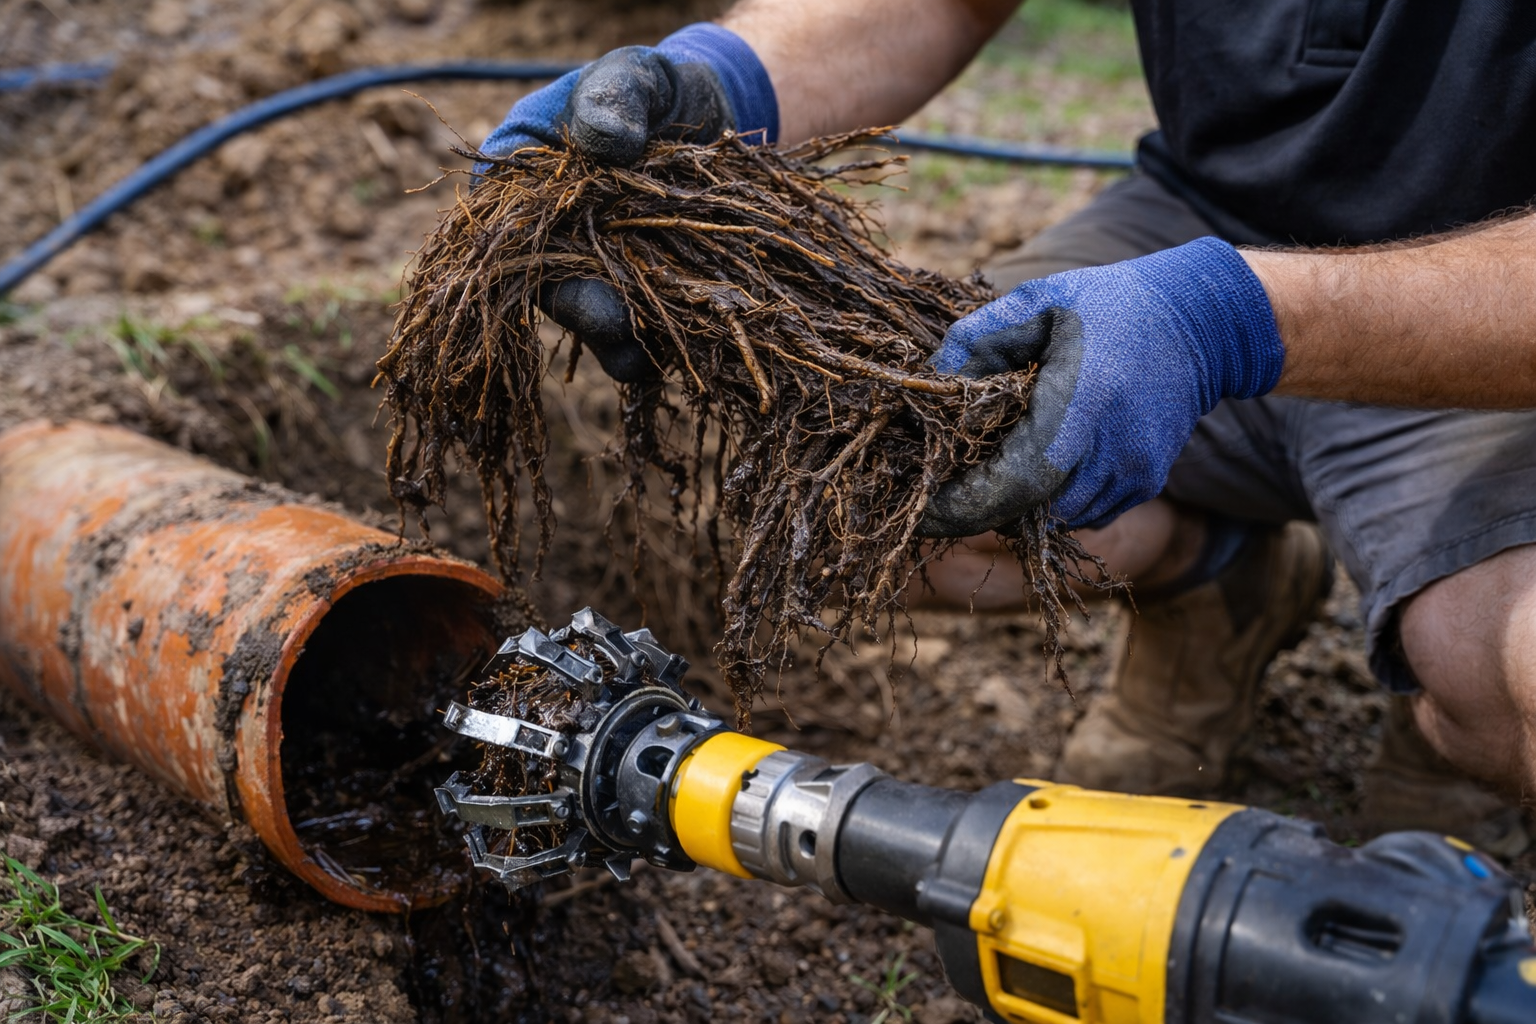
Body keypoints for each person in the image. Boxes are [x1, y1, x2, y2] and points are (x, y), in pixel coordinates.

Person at [478, 0, 1536, 846]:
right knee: (854, 484)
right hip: (1191, 235)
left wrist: (1230, 318)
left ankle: (1442, 701)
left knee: (1510, 680)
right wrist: (724, 83)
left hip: (1471, 314)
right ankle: (1218, 581)